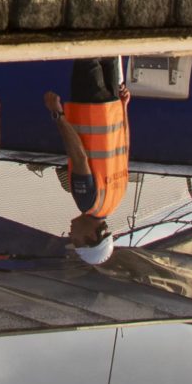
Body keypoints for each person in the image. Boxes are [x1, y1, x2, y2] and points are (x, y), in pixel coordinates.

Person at [45, 58, 130, 263]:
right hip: (90, 108)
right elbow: (79, 157)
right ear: (91, 236)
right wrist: (57, 115)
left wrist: (123, 108)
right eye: (76, 240)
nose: (71, 234)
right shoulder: (87, 203)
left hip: (112, 107)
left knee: (106, 48)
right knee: (87, 51)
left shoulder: (117, 198)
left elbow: (124, 146)